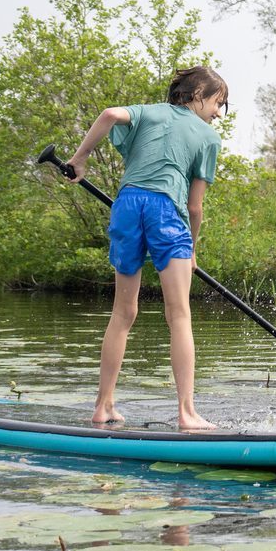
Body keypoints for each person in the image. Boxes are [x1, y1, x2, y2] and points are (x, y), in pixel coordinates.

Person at [66, 66, 227, 431]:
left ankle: (103, 405)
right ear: (198, 93)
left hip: (127, 205)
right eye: (219, 103)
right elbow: (195, 207)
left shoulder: (148, 111)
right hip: (166, 212)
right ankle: (187, 413)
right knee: (179, 314)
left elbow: (109, 115)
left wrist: (80, 159)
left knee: (123, 313)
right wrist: (192, 246)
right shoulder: (207, 137)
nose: (218, 112)